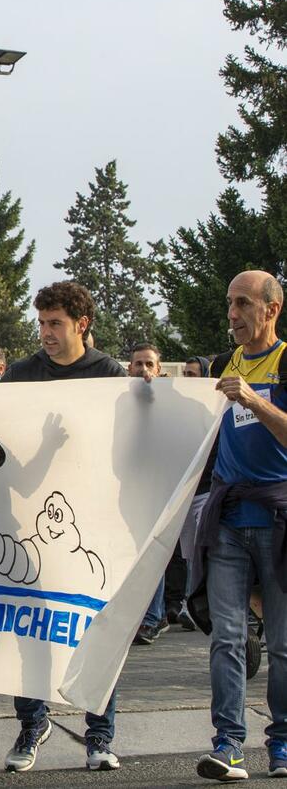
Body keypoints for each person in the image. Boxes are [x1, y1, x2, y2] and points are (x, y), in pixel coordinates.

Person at [0, 282, 128, 772]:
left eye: (55, 323)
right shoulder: (22, 374)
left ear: (81, 325)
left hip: (93, 523)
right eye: (42, 323)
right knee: (29, 629)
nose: (46, 333)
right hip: (31, 519)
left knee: (95, 629)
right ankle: (32, 724)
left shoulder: (109, 374)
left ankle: (99, 736)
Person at [189, 270, 287, 781]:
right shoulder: (220, 366)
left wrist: (254, 400)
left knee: (283, 645)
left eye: (243, 303)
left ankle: (283, 743)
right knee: (226, 638)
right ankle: (228, 744)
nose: (232, 314)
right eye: (230, 303)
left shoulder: (285, 362)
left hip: (278, 521)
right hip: (227, 521)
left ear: (272, 308)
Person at [125, 343, 172, 647]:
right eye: (138, 364)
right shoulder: (119, 400)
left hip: (157, 487)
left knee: (152, 551)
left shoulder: (168, 402)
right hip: (126, 488)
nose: (143, 369)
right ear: (129, 368)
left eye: (149, 364)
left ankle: (152, 618)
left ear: (159, 369)